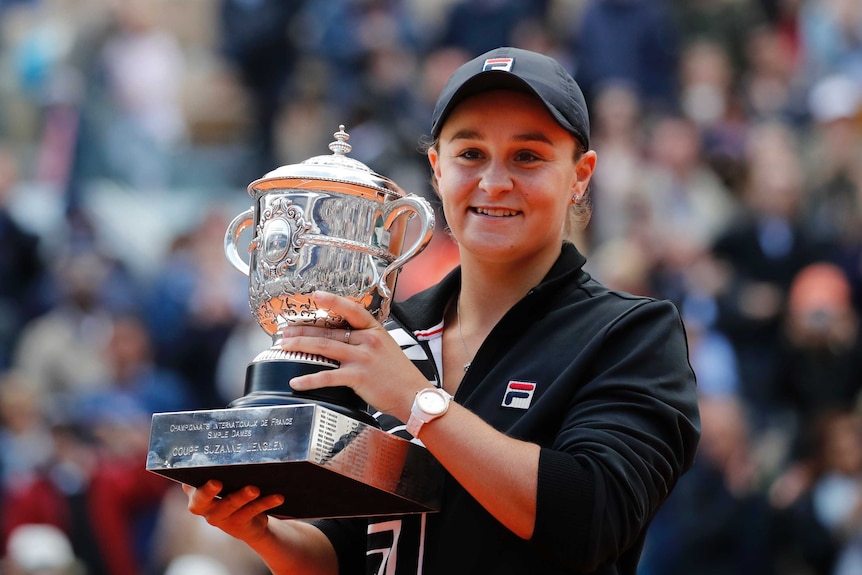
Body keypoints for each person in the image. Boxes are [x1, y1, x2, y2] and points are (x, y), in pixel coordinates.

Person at [184, 46, 701, 574]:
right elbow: (348, 552)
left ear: (580, 176)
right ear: (435, 170)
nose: (494, 182)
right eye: (470, 153)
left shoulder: (632, 334)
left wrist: (416, 401)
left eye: (528, 156)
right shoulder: (386, 337)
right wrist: (262, 532)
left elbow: (592, 519)